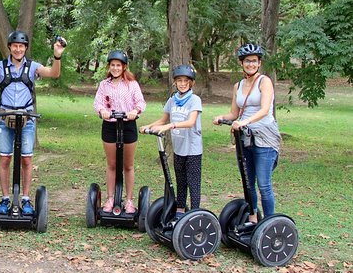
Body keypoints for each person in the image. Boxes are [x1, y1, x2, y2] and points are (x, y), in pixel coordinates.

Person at [0, 29, 66, 215]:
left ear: (26, 48)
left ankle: (26, 199)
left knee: (26, 159)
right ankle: (6, 198)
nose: (18, 49)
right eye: (15, 46)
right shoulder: (0, 66)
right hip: (5, 119)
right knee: (5, 158)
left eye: (21, 46)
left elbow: (53, 73)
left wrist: (57, 56)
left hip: (27, 119)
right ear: (9, 47)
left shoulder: (32, 67)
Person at [213, 43, 282, 222]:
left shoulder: (264, 81)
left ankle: (269, 223)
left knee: (264, 184)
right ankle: (253, 219)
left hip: (265, 137)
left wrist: (244, 122)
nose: (250, 64)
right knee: (248, 182)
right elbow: (234, 113)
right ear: (242, 63)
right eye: (246, 61)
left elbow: (265, 109)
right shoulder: (238, 85)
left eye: (254, 61)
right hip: (245, 137)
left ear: (259, 63)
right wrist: (222, 117)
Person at [141, 65, 202, 220]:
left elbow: (191, 121)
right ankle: (179, 213)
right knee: (180, 182)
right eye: (179, 81)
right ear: (175, 82)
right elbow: (163, 119)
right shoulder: (172, 100)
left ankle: (195, 215)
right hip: (179, 149)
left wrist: (171, 126)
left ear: (191, 83)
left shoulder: (195, 100)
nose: (182, 83)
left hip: (193, 150)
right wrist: (149, 126)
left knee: (193, 184)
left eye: (185, 81)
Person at [93, 50, 146, 214]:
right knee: (112, 164)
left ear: (124, 67)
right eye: (112, 65)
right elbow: (97, 103)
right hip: (110, 126)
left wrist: (135, 111)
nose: (115, 68)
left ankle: (129, 201)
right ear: (109, 67)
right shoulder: (104, 84)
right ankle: (110, 198)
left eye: (118, 65)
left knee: (128, 165)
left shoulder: (132, 84)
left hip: (128, 126)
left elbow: (141, 102)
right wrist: (102, 111)